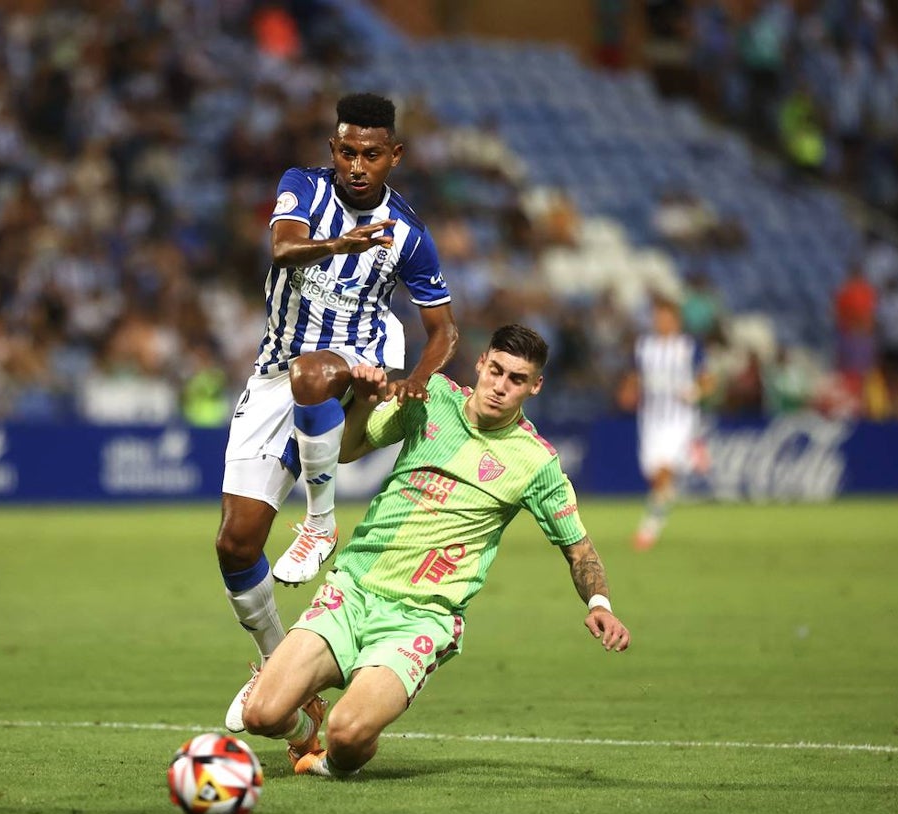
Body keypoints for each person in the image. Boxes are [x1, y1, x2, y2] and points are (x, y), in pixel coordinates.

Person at [239, 324, 630, 776]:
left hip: (421, 617)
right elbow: (348, 450)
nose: (500, 387)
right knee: (260, 715)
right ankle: (304, 725)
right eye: (497, 371)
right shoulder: (432, 398)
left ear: (535, 386)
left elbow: (580, 550)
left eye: (516, 380)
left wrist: (600, 603)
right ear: (481, 363)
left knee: (347, 736)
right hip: (352, 592)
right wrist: (365, 400)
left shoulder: (535, 461)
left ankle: (334, 760)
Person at [218, 93, 459, 733]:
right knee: (236, 543)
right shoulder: (301, 187)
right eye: (347, 151)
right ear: (333, 149)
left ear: (394, 156)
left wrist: (416, 379)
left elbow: (444, 331)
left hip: (363, 354)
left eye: (372, 154)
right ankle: (279, 675)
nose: (358, 165)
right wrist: (339, 245)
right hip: (275, 370)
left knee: (315, 374)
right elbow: (283, 249)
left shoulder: (409, 232)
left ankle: (321, 524)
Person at [617, 296, 712, 551]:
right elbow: (634, 376)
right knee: (654, 474)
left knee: (663, 473)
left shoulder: (689, 346)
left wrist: (695, 390)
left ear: (676, 320)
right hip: (650, 419)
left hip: (680, 419)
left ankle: (648, 530)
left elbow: (708, 379)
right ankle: (693, 455)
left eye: (666, 317)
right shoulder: (644, 347)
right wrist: (627, 391)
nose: (661, 322)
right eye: (658, 317)